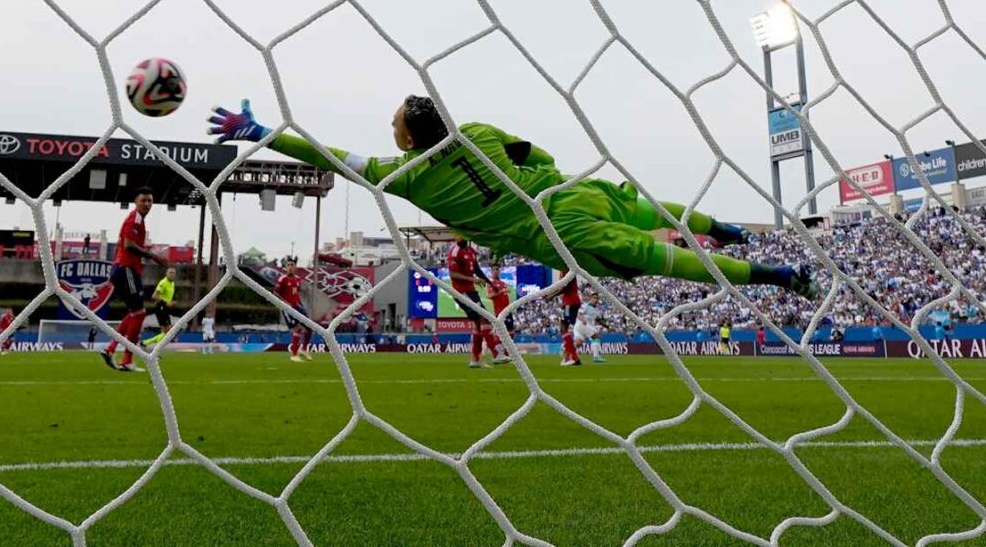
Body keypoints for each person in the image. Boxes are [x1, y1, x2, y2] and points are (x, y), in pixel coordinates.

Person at [206, 97, 818, 300]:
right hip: (573, 189)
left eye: (395, 126)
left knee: (654, 258)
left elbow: (330, 155)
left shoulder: (406, 173)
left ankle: (772, 273)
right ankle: (733, 229)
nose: (391, 131)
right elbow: (536, 156)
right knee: (650, 206)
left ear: (411, 137)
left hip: (556, 231)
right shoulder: (475, 132)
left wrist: (262, 134)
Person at [98, 186, 167, 372]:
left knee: (134, 313)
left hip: (124, 269)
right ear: (136, 201)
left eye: (150, 201)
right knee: (139, 313)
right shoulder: (135, 219)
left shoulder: (138, 220)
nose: (147, 204)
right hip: (126, 269)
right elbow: (129, 246)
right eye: (143, 200)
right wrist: (152, 255)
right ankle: (127, 359)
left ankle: (110, 349)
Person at [447, 237, 503, 368]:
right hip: (461, 292)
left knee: (478, 324)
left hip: (471, 291)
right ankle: (496, 354)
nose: (458, 237)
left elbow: (477, 270)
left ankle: (475, 359)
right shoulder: (455, 252)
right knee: (484, 317)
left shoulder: (471, 251)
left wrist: (491, 284)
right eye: (456, 236)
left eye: (460, 235)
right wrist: (472, 279)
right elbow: (452, 274)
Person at [274, 258, 313, 362]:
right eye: (289, 265)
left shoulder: (297, 279)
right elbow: (276, 293)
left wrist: (300, 305)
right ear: (285, 268)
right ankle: (294, 355)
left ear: (295, 267)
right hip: (288, 307)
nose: (291, 267)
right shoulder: (282, 279)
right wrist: (285, 304)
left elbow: (295, 293)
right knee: (297, 327)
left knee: (310, 327)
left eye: (292, 265)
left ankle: (304, 350)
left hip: (298, 306)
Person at [549, 271, 582, 367]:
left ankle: (573, 357)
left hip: (570, 302)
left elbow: (565, 287)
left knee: (563, 328)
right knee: (563, 328)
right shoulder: (564, 270)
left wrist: (552, 295)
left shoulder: (566, 270)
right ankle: (570, 356)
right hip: (571, 301)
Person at [142, 267, 176, 349]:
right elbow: (154, 296)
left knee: (166, 333)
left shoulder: (172, 283)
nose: (172, 274)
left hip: (165, 309)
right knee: (168, 333)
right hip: (161, 308)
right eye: (170, 272)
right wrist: (166, 303)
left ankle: (147, 344)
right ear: (166, 274)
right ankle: (147, 343)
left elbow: (167, 298)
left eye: (173, 273)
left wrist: (170, 303)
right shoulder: (163, 282)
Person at [574, 293, 609, 364]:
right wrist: (583, 319)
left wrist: (606, 326)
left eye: (597, 298)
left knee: (578, 343)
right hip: (583, 324)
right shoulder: (586, 306)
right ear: (590, 298)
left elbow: (598, 320)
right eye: (594, 298)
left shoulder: (596, 310)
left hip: (583, 327)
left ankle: (566, 350)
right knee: (595, 337)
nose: (595, 300)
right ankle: (596, 357)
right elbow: (577, 313)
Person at [485, 273, 513, 361]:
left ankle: (506, 353)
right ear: (492, 271)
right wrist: (500, 292)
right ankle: (491, 347)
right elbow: (489, 296)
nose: (496, 271)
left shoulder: (503, 283)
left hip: (508, 310)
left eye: (497, 269)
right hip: (499, 311)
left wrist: (507, 290)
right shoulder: (490, 284)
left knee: (511, 332)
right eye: (494, 269)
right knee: (501, 333)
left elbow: (508, 291)